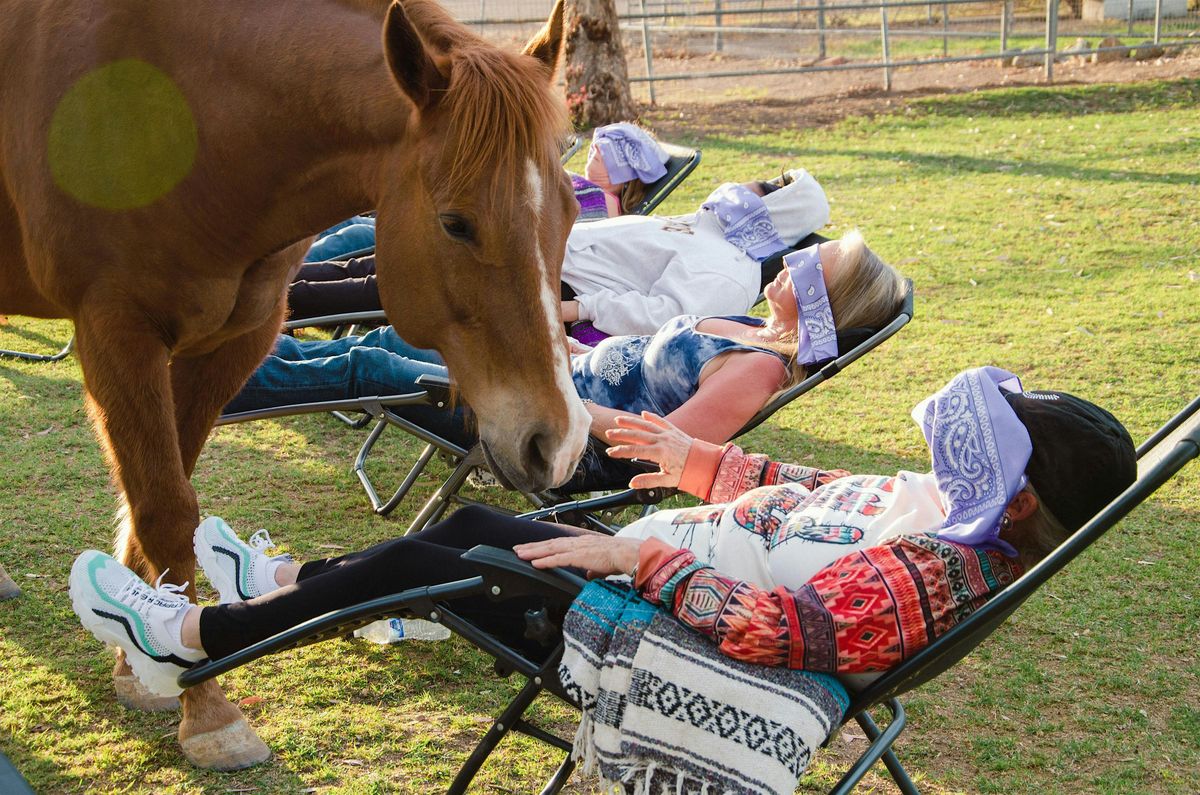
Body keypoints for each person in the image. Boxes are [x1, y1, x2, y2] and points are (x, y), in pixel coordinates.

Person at [69, 367, 1137, 700]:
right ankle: (277, 579)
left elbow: (775, 630)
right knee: (484, 525)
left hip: (647, 637)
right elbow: (818, 488)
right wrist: (701, 465)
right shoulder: (953, 512)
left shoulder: (938, 573)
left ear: (1024, 501)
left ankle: (195, 641)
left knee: (429, 562)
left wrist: (640, 554)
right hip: (646, 576)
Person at [228, 232, 903, 486]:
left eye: (810, 267)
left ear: (825, 306)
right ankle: (229, 359)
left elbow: (668, 447)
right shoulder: (749, 327)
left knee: (370, 371)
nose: (791, 260)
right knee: (389, 343)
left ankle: (220, 385)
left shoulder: (756, 368)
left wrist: (565, 403)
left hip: (557, 433)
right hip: (547, 381)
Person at [287, 166, 831, 333]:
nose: (742, 187)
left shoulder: (728, 272)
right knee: (373, 264)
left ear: (774, 214)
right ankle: (276, 291)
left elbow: (667, 318)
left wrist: (575, 308)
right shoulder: (698, 226)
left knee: (381, 286)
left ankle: (271, 311)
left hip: (545, 289)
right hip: (532, 260)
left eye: (761, 188)